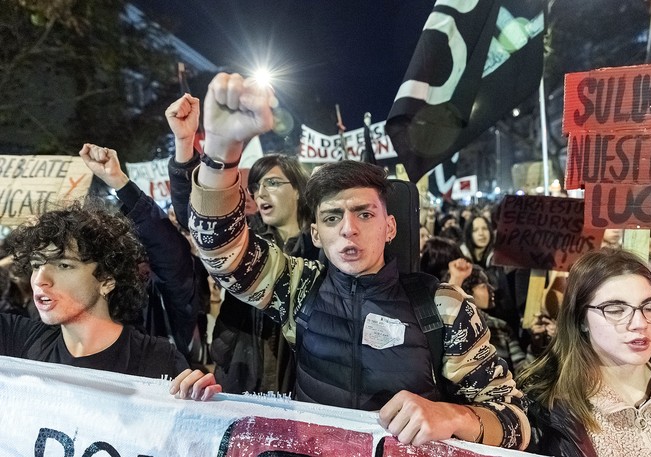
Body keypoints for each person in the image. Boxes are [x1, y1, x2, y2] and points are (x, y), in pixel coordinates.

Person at [185, 72, 529, 448]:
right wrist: (219, 150)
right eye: (332, 217)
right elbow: (221, 251)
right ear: (316, 234)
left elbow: (516, 420)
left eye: (364, 214)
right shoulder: (298, 287)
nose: (348, 228)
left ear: (390, 227)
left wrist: (453, 415)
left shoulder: (443, 307)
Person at [165, 93, 319, 394]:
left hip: (299, 383)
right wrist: (185, 145)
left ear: (300, 190)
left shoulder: (322, 248)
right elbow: (199, 220)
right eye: (256, 186)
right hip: (240, 371)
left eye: (272, 183)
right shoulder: (243, 239)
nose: (260, 193)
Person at [0, 201, 220, 401]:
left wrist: (197, 402)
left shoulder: (157, 360)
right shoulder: (18, 340)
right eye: (37, 264)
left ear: (106, 280)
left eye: (63, 265)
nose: (40, 280)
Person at [519, 248, 651, 456]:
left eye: (650, 307)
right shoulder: (542, 409)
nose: (639, 323)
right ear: (581, 319)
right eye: (615, 310)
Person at [79, 143, 207, 363]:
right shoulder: (86, 301)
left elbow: (168, 248)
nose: (141, 270)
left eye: (144, 260)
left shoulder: (167, 295)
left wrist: (119, 182)